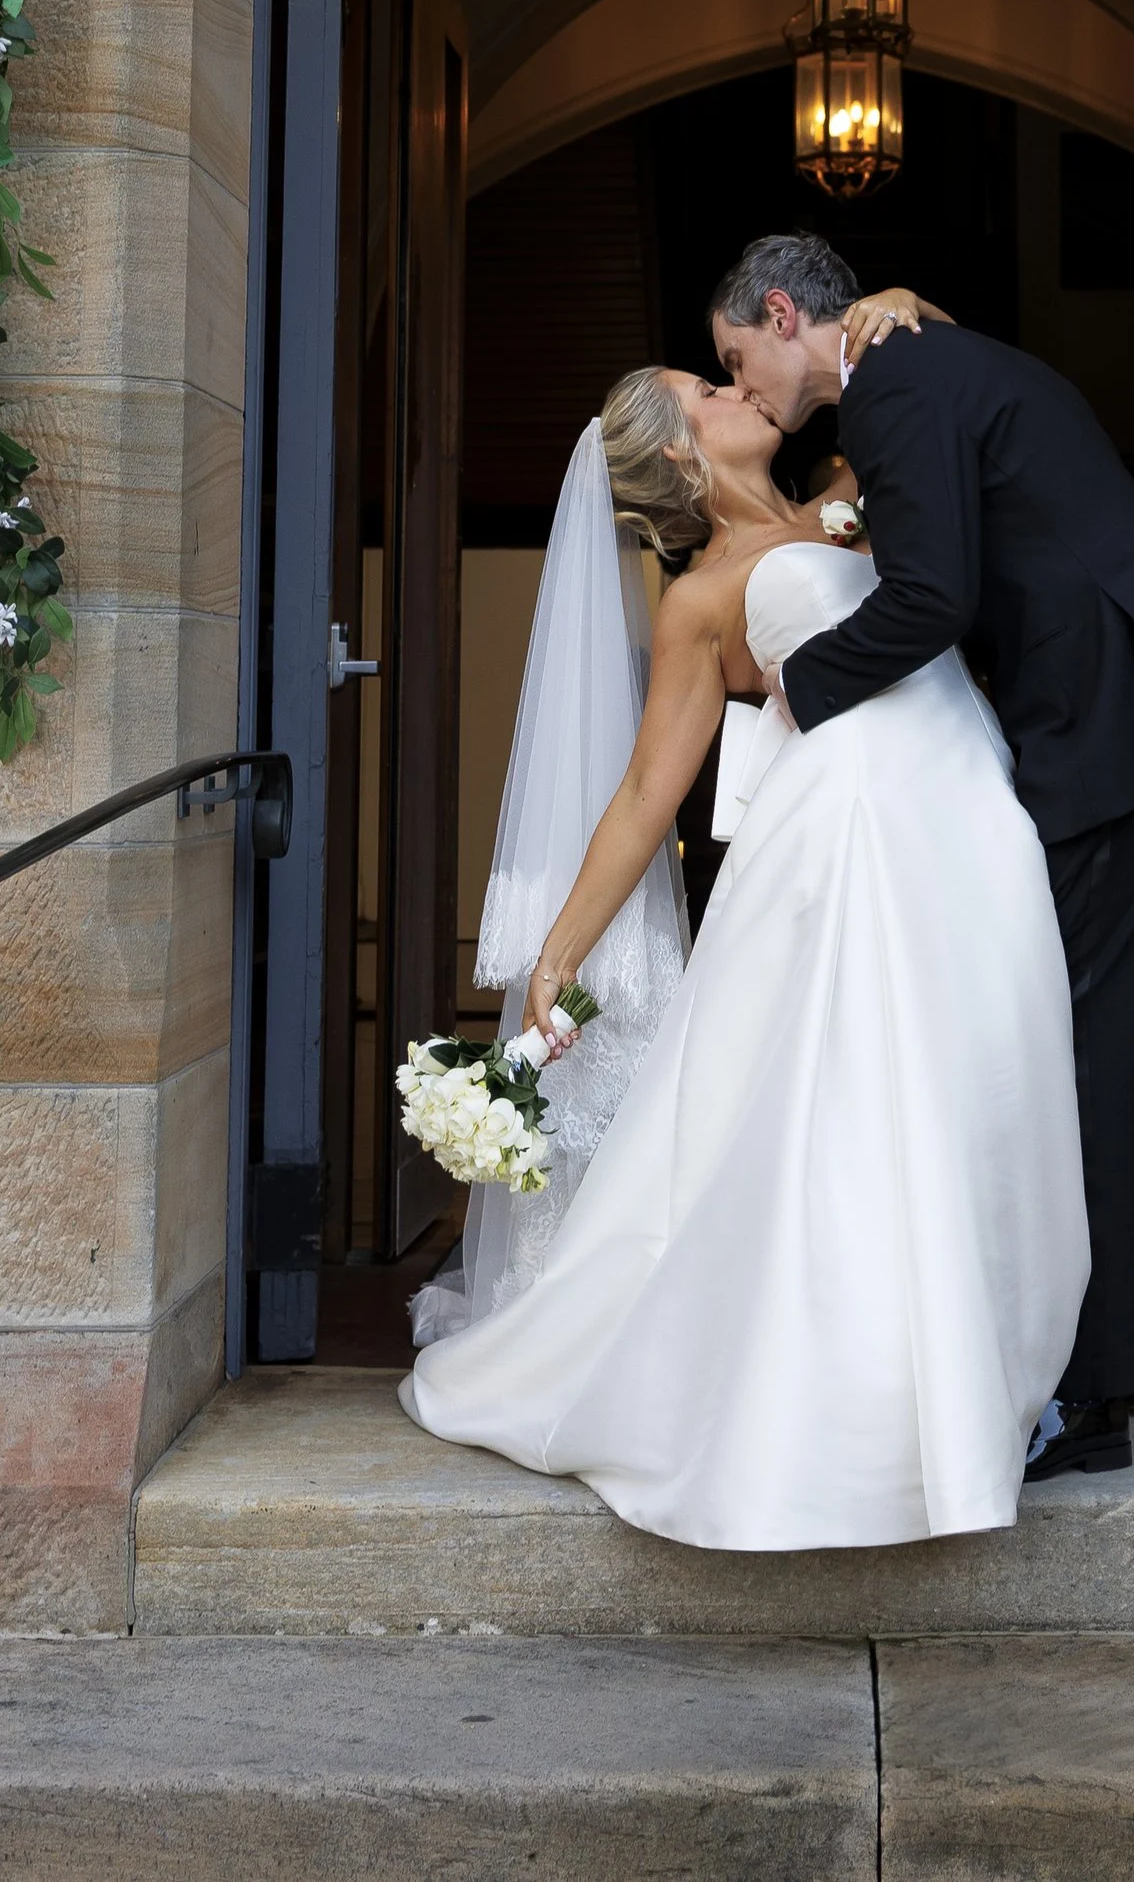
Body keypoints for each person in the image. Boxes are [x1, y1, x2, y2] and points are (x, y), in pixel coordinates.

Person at [398, 348, 1089, 1551]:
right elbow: (642, 799)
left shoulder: (850, 498)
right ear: (678, 447)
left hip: (968, 813)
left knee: (991, 1088)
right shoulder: (703, 596)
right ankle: (870, 1413)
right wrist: (555, 959)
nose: (738, 392)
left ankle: (992, 1373)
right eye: (710, 392)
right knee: (871, 1120)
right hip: (849, 852)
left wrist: (899, 324)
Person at [714, 228, 1134, 1482]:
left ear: (787, 313)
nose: (743, 385)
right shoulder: (922, 362)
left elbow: (934, 598)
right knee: (1105, 1050)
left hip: (1118, 727)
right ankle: (1133, 1346)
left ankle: (1089, 1395)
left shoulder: (898, 380)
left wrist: (795, 688)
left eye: (736, 356)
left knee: (1072, 1054)